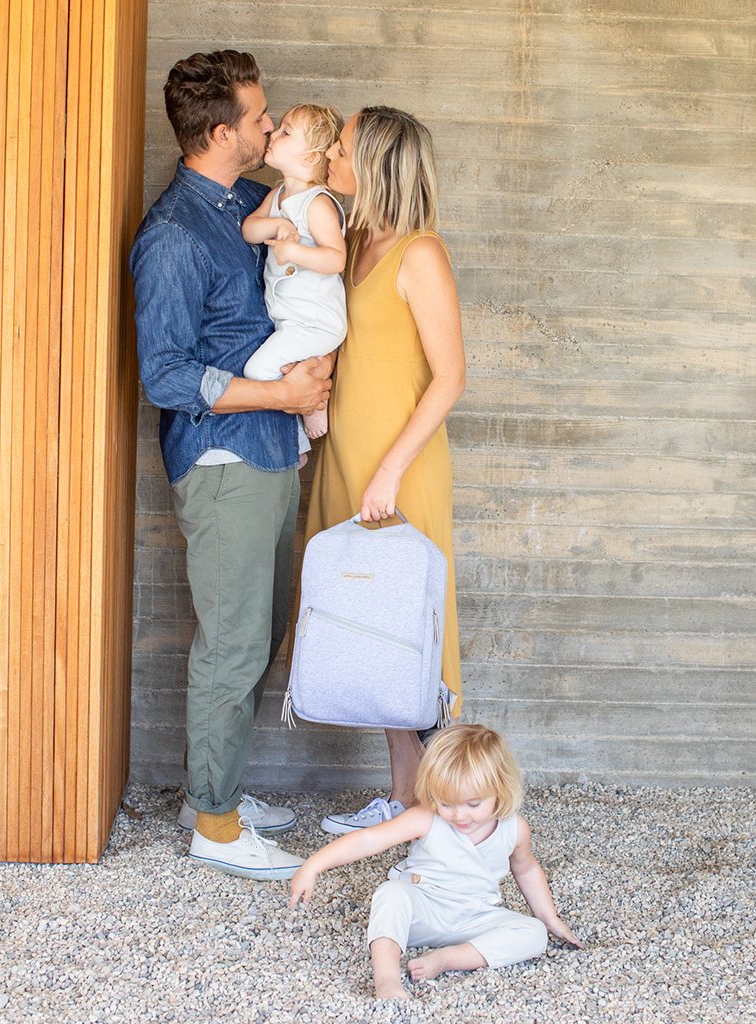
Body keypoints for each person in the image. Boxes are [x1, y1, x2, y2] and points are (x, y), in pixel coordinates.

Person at [130, 50, 332, 880]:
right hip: (223, 461)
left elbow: (318, 216)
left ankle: (206, 794)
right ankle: (214, 827)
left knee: (261, 629)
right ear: (221, 133)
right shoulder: (174, 236)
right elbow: (167, 374)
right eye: (260, 118)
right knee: (236, 642)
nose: (271, 126)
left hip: (270, 450)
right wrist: (281, 395)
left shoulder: (249, 201)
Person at [292, 107, 466, 834]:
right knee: (376, 632)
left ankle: (456, 813)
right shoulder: (358, 240)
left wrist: (391, 469)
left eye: (341, 147)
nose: (331, 155)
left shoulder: (420, 254)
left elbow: (451, 378)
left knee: (414, 633)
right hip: (349, 460)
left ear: (376, 163)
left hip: (400, 468)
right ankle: (404, 799)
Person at [289, 725, 583, 1000]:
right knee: (391, 893)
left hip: (475, 917)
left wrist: (549, 918)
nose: (459, 815)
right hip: (422, 914)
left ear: (500, 789)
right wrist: (314, 865)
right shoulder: (426, 818)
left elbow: (526, 869)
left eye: (473, 804)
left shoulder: (514, 828)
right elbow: (370, 839)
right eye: (446, 803)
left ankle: (448, 958)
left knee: (533, 933)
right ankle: (387, 979)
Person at [242, 104, 347, 441]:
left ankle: (314, 402)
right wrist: (275, 225)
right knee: (284, 370)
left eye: (286, 132)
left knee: (257, 370)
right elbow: (249, 230)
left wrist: (294, 252)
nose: (273, 133)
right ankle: (306, 412)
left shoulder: (317, 203)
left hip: (315, 322)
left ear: (310, 158)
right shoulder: (277, 196)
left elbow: (336, 259)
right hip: (289, 319)